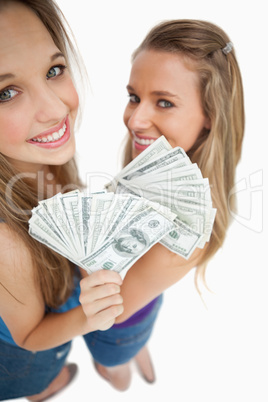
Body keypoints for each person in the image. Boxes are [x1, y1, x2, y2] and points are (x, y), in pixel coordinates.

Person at [81, 19, 245, 390]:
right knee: (143, 317)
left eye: (165, 102)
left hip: (114, 327)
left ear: (209, 118)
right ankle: (138, 349)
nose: (135, 120)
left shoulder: (187, 236)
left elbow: (113, 308)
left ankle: (120, 372)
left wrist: (70, 246)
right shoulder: (157, 166)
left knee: (113, 365)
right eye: (134, 97)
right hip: (144, 295)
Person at [0, 0, 126, 400]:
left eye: (54, 70)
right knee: (34, 375)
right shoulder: (6, 242)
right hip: (23, 360)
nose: (57, 109)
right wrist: (90, 318)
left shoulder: (33, 160)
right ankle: (45, 387)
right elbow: (31, 337)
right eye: (6, 92)